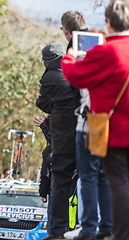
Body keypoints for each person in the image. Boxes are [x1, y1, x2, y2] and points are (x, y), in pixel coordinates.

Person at [61, 1, 129, 239]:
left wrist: (70, 57)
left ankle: (106, 230)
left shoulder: (108, 50)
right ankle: (109, 227)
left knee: (110, 180)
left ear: (109, 23)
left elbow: (75, 76)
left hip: (109, 129)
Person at [36, 43, 77, 240]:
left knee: (60, 181)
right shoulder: (77, 69)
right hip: (86, 134)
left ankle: (57, 232)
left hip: (64, 139)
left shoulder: (50, 77)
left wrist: (55, 109)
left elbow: (41, 103)